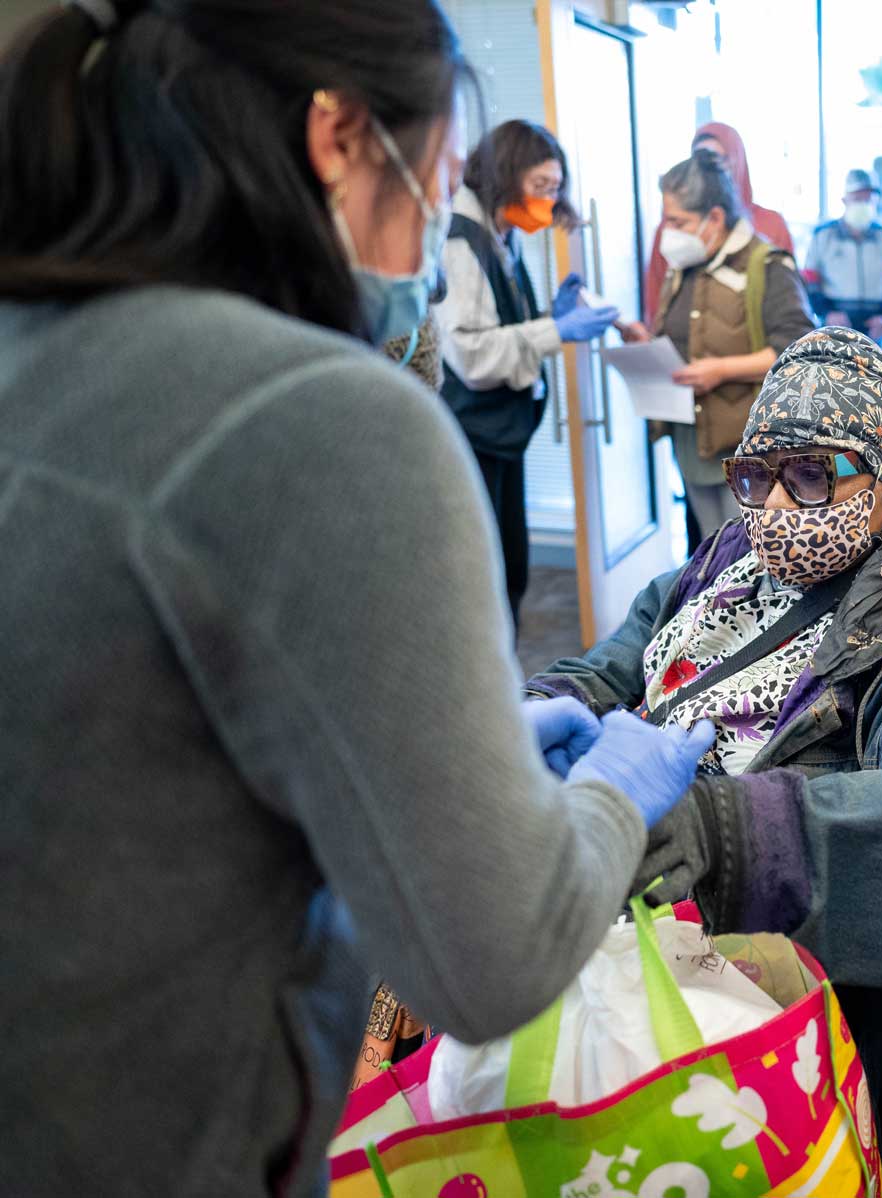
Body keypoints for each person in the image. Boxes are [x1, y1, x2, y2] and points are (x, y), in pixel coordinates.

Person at [0, 3, 710, 1192]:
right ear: (337, 132)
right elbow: (489, 959)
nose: (436, 228)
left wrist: (407, 755)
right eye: (434, 173)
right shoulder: (328, 423)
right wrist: (606, 798)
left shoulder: (35, 344)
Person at [525, 329, 882, 1197]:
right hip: (655, 909)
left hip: (807, 1005)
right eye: (756, 474)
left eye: (814, 475)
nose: (777, 505)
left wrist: (737, 839)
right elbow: (638, 642)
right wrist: (557, 699)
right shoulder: (736, 559)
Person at [435, 119, 618, 629]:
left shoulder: (500, 235)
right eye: (541, 188)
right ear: (504, 176)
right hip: (472, 433)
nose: (547, 201)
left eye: (556, 190)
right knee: (487, 581)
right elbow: (471, 355)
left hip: (501, 434)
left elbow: (501, 327)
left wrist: (546, 320)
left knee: (512, 572)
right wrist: (553, 330)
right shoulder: (460, 242)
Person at [614, 151, 815, 542]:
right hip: (692, 442)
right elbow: (689, 340)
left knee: (755, 556)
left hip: (749, 448)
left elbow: (796, 349)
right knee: (712, 551)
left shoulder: (766, 266)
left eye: (677, 222)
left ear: (716, 219)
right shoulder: (684, 268)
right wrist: (647, 344)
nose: (666, 232)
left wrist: (720, 370)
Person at [643, 121, 796, 322]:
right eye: (700, 159)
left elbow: (788, 321)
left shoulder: (770, 225)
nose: (709, 169)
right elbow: (657, 296)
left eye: (717, 159)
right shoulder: (672, 228)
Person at [804, 168, 882, 342]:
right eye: (858, 199)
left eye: (868, 199)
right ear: (845, 200)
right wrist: (826, 313)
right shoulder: (823, 236)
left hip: (877, 330)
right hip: (835, 329)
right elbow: (809, 280)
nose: (864, 204)